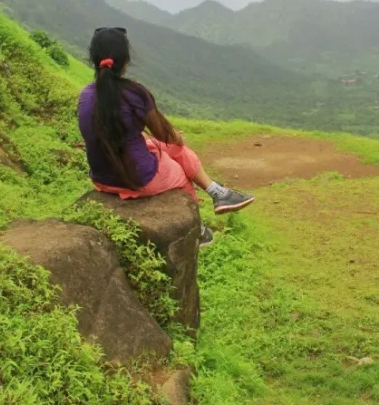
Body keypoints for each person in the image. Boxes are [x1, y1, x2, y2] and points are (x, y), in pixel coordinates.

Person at [77, 27, 255, 245]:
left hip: (102, 179)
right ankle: (196, 228)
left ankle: (218, 192)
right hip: (139, 178)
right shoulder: (135, 92)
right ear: (126, 60)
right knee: (179, 166)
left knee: (165, 148)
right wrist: (176, 138)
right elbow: (165, 134)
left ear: (94, 59)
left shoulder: (85, 95)